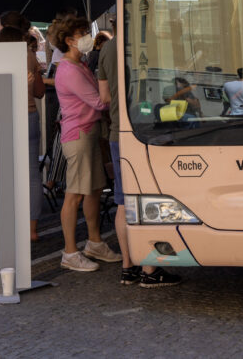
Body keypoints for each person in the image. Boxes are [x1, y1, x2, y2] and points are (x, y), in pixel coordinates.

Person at [97, 35, 181, 288]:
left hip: (117, 133)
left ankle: (128, 268)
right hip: (146, 131)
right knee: (149, 199)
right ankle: (150, 269)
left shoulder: (107, 48)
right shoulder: (150, 43)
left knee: (123, 202)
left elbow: (104, 97)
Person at [49, 15, 121, 272]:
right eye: (82, 33)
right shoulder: (69, 69)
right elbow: (100, 102)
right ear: (69, 40)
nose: (87, 37)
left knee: (92, 190)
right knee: (74, 195)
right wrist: (110, 83)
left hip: (89, 133)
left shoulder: (79, 65)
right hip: (78, 136)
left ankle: (95, 242)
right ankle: (69, 252)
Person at [0, 24, 46, 241]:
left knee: (4, 174)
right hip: (29, 115)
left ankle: (6, 224)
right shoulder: (30, 56)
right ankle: (31, 229)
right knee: (32, 176)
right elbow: (40, 92)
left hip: (5, 117)